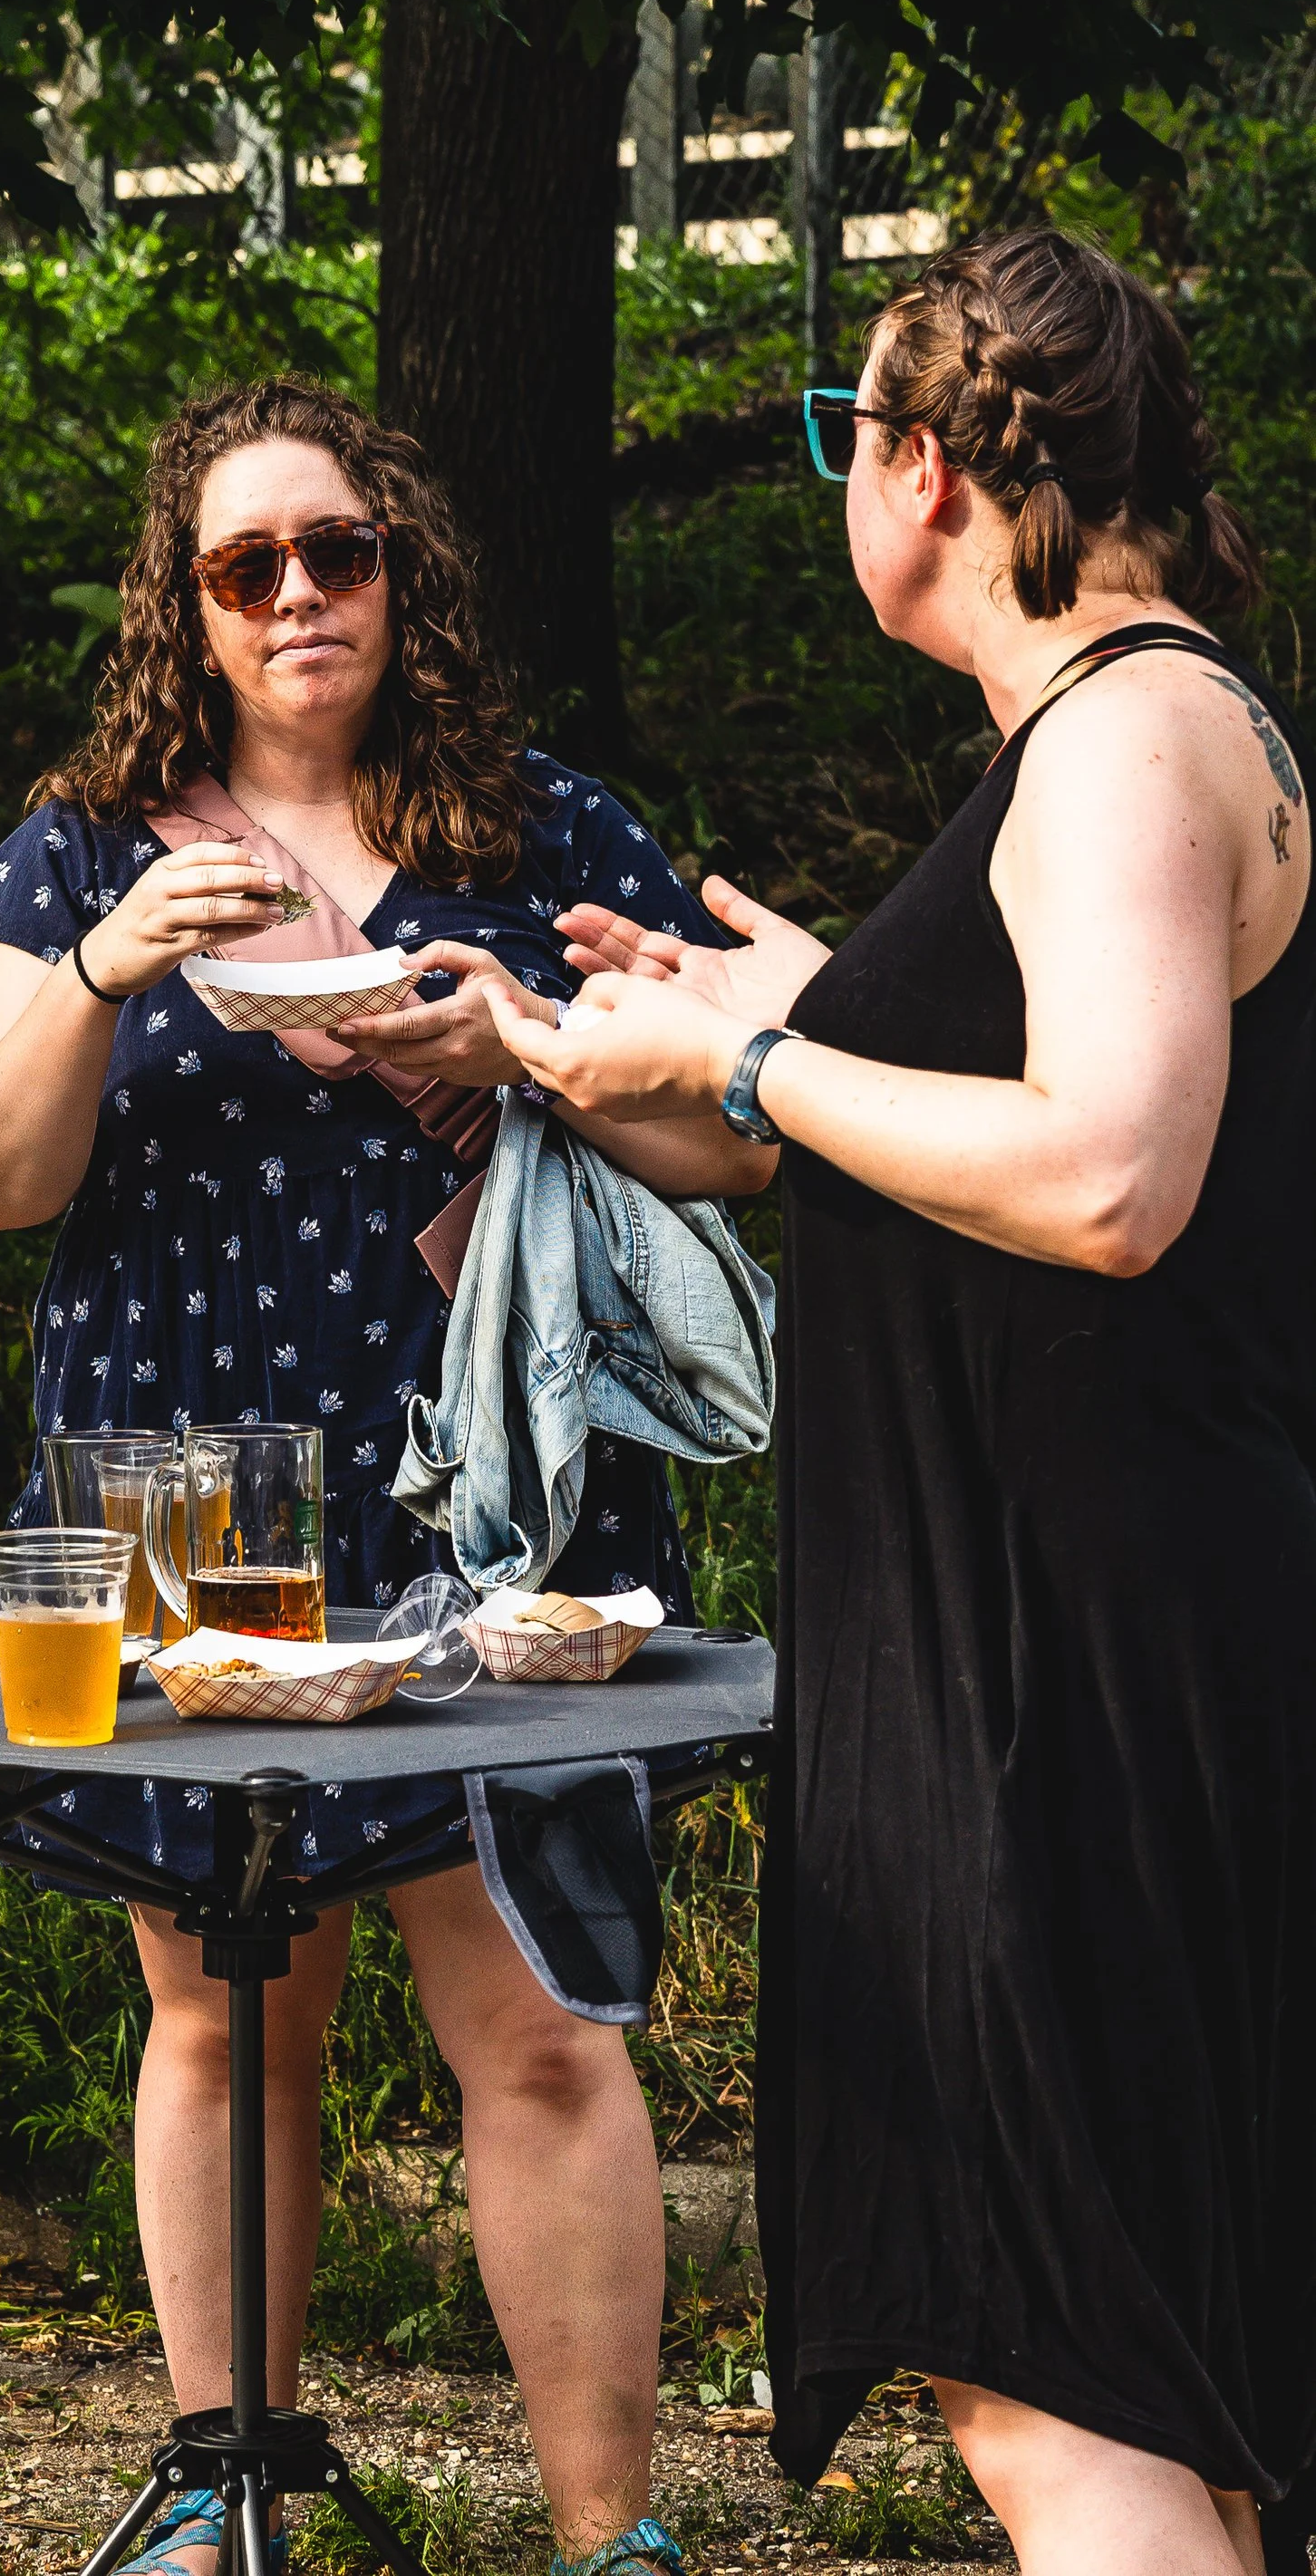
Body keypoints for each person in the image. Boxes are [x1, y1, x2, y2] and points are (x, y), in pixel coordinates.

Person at [466, 231, 1316, 2576]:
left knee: (1064, 2369)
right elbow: (884, 1133)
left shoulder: (1127, 731)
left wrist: (755, 1044)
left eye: (846, 433)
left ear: (927, 466)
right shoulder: (1107, 740)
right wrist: (652, 1044)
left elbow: (1114, 1171)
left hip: (1071, 1669)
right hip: (1044, 1641)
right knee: (1112, 2358)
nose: (844, 477)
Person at [0, 377, 773, 2576]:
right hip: (181, 1486)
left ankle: (613, 2540)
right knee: (226, 2020)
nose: (298, 594)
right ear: (185, 610)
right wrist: (107, 973)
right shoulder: (85, 846)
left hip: (498, 1495)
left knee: (542, 2030)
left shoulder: (540, 830)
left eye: (337, 553)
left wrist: (516, 1046)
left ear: (399, 574)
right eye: (246, 567)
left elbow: (727, 1137)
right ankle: (220, 2497)